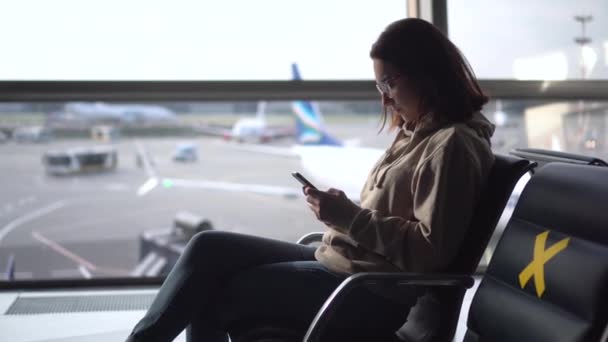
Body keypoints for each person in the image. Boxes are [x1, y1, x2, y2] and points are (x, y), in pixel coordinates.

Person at [126, 17, 495, 342]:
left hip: (366, 295)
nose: (384, 99)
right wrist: (342, 218)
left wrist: (348, 217)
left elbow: (431, 254)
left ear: (425, 73)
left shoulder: (453, 145)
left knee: (211, 290)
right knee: (208, 246)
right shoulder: (418, 133)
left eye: (389, 84)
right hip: (343, 263)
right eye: (380, 87)